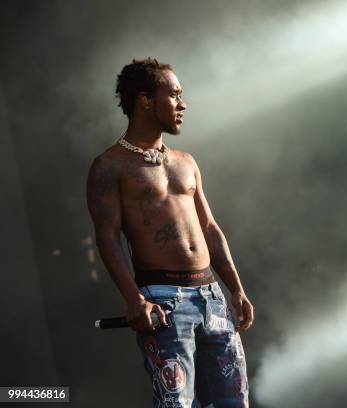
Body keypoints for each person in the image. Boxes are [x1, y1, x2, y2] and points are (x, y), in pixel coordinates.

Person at [86, 58, 253, 407]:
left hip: (212, 297)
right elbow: (107, 238)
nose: (183, 104)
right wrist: (135, 299)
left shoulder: (186, 161)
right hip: (163, 302)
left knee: (234, 402)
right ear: (145, 100)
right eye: (174, 95)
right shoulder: (110, 166)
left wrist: (235, 288)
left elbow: (209, 227)